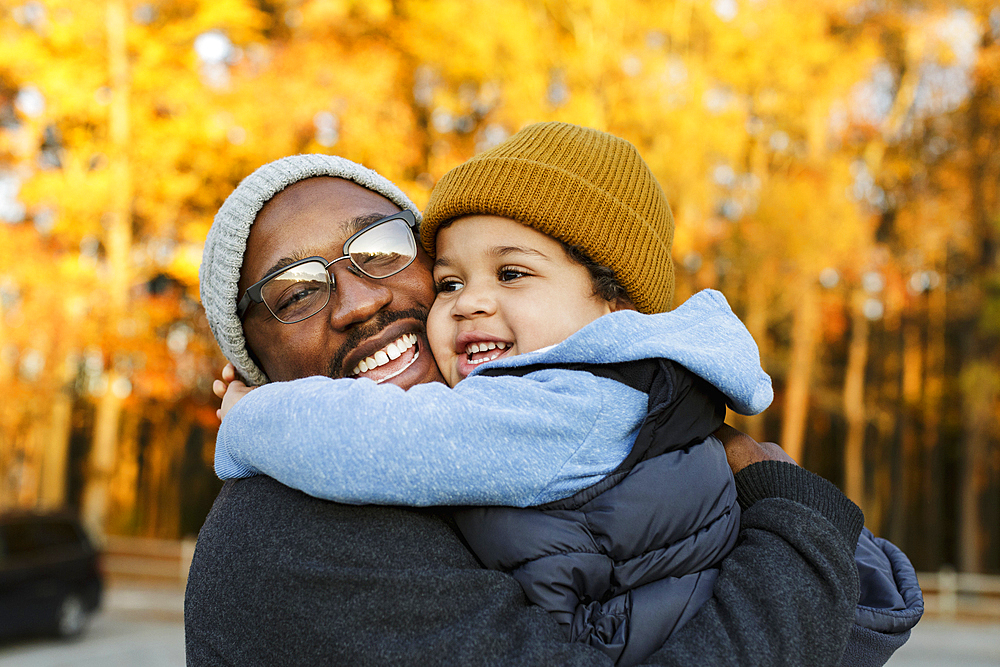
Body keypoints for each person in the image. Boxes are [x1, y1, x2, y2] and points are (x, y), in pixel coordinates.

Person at [209, 123, 922, 666]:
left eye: (381, 250)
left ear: (614, 306)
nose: (360, 300)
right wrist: (793, 515)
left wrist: (248, 417)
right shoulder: (286, 533)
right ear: (250, 351)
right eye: (295, 291)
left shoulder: (562, 404)